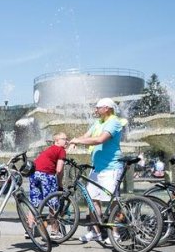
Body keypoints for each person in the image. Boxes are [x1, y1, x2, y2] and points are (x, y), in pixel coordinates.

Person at [68, 97, 125, 242]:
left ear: (107, 108)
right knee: (92, 199)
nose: (95, 110)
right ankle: (96, 232)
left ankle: (116, 234)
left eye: (97, 107)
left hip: (111, 168)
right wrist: (75, 141)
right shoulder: (98, 122)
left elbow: (100, 139)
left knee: (113, 201)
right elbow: (87, 136)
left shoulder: (114, 122)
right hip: (97, 168)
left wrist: (78, 141)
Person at [29, 133, 67, 209]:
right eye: (64, 139)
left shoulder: (50, 148)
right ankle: (53, 220)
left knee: (35, 200)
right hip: (46, 175)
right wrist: (60, 184)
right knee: (52, 200)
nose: (67, 141)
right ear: (57, 141)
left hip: (34, 174)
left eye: (67, 139)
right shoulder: (61, 150)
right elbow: (59, 170)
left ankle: (31, 220)